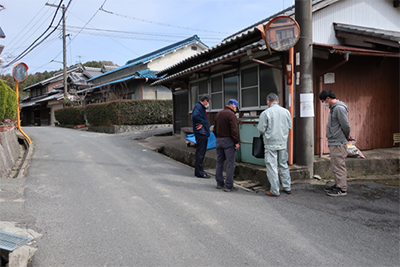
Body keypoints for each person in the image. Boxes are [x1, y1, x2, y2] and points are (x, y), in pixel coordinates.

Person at [257, 93, 292, 197]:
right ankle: (287, 187)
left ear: (268, 101)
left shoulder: (265, 113)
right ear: (278, 101)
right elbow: (289, 126)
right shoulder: (286, 112)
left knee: (272, 167)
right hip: (282, 142)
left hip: (270, 143)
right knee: (283, 165)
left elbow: (261, 129)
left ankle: (275, 190)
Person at [319, 89, 350, 197]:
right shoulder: (334, 109)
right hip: (335, 141)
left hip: (338, 142)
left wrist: (346, 137)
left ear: (328, 98)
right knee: (335, 165)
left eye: (323, 100)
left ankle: (341, 188)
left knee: (339, 165)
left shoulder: (339, 108)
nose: (323, 103)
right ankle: (338, 185)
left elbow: (346, 125)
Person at [213, 99, 240, 192]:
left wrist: (218, 137)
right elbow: (234, 130)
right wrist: (236, 142)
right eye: (236, 107)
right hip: (228, 141)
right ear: (233, 106)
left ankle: (219, 183)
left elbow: (214, 129)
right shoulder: (231, 115)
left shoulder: (219, 113)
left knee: (219, 162)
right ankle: (228, 185)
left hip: (219, 140)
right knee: (230, 163)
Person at [192, 94, 211, 178]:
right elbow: (195, 116)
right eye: (208, 102)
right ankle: (200, 172)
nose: (208, 104)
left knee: (199, 152)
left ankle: (198, 171)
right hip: (201, 133)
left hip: (201, 132)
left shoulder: (199, 107)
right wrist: (202, 122)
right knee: (201, 153)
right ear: (205, 100)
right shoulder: (199, 107)